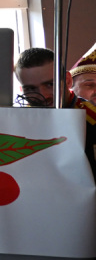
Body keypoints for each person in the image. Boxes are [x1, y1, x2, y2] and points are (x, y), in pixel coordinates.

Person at [15, 47, 96, 176]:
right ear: (21, 89)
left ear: (68, 81)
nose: (43, 95)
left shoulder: (92, 119)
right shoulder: (16, 123)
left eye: (50, 85)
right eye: (30, 89)